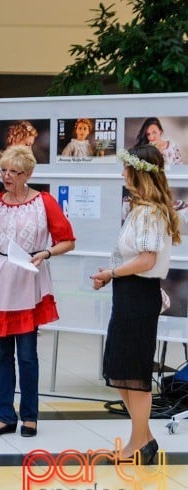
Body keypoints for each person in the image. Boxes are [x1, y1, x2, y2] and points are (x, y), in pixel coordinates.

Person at [0, 145, 75, 438]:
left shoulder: (44, 202)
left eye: (14, 172)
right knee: (1, 354)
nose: (6, 176)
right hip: (0, 281)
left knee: (27, 354)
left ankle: (30, 416)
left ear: (27, 174)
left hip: (29, 277)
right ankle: (5, 415)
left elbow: (68, 240)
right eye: (3, 170)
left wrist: (46, 253)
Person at [91, 145, 180, 465]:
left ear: (138, 172)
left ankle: (137, 443)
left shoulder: (151, 212)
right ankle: (144, 439)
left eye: (126, 168)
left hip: (138, 296)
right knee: (120, 369)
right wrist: (113, 276)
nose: (122, 174)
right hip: (130, 293)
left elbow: (146, 260)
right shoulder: (142, 209)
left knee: (133, 372)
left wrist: (112, 273)